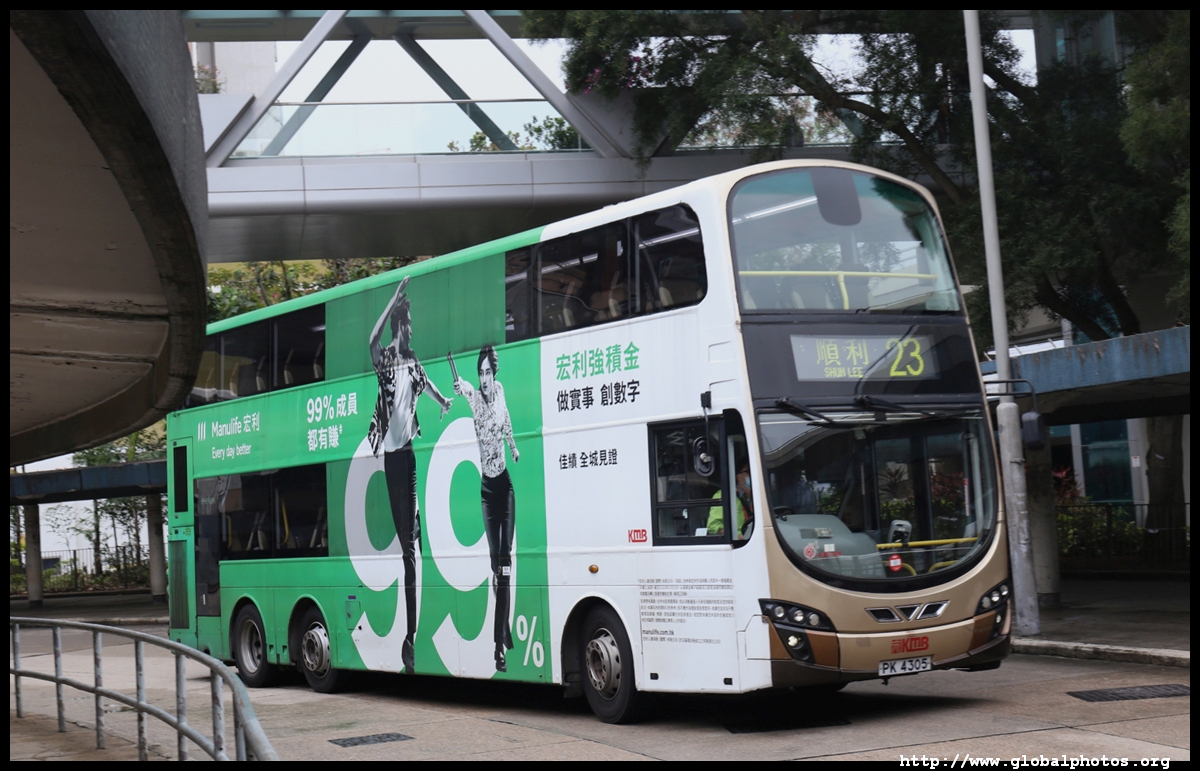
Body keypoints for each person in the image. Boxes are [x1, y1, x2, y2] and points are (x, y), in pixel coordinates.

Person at [368, 278, 452, 673]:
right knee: (406, 547)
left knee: (411, 553)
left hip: (410, 456)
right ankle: (408, 636)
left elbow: (427, 382)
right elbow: (371, 340)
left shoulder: (412, 361)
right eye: (408, 326)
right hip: (391, 460)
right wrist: (391, 300)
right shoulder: (386, 359)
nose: (411, 332)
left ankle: (410, 636)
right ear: (398, 327)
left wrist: (442, 399)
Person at [453, 346, 520, 672]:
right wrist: (460, 385)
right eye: (480, 373)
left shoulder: (502, 391)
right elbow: (464, 387)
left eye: (487, 372)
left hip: (505, 488)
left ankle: (498, 648)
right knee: (496, 567)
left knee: (505, 564)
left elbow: (506, 421)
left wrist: (513, 446)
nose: (484, 379)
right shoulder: (475, 398)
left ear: (495, 373)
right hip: (487, 493)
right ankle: (503, 626)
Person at [707, 463, 754, 538]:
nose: (752, 474)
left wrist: (749, 495)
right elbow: (713, 526)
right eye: (748, 471)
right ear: (739, 477)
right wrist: (739, 537)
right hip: (739, 542)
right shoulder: (725, 495)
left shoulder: (751, 497)